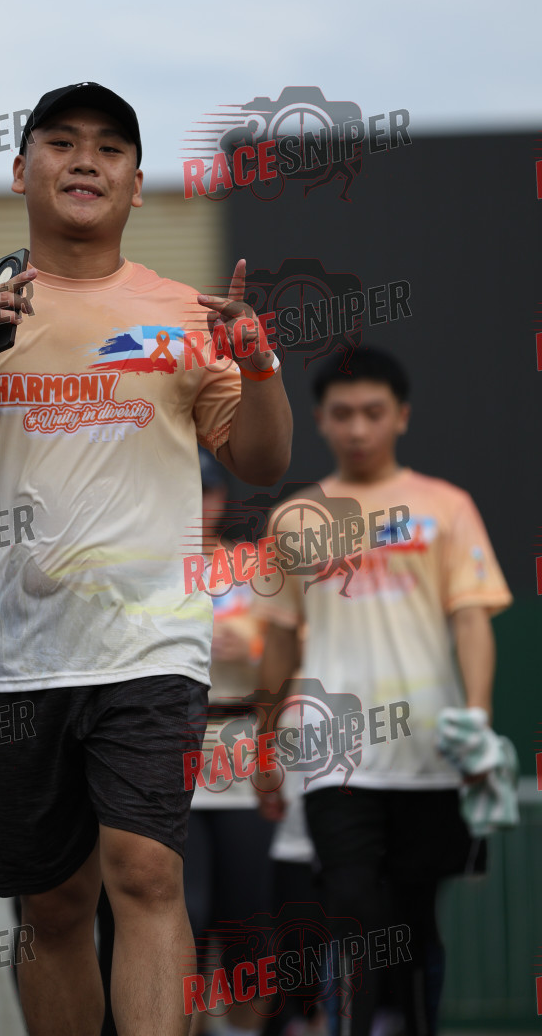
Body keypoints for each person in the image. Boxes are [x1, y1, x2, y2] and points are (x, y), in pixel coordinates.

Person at [0, 81, 292, 1036]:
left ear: (137, 183)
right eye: (61, 142)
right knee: (53, 908)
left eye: (110, 148)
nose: (85, 159)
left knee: (147, 872)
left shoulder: (185, 313)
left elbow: (261, 461)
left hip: (152, 646)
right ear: (21, 171)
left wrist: (258, 368)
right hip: (20, 657)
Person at [252, 347, 512, 1036]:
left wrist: (478, 721)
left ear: (402, 415)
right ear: (320, 420)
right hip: (335, 757)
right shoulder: (296, 519)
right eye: (343, 414)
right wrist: (264, 744)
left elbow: (471, 619)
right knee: (353, 910)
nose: (358, 428)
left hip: (430, 754)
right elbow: (279, 639)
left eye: (373, 412)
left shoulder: (447, 507)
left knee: (414, 922)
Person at [182, 448, 276, 1035]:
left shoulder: (253, 566)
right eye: (186, 489)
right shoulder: (144, 567)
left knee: (248, 919)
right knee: (182, 917)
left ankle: (239, 1028)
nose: (197, 503)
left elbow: (294, 646)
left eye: (206, 490)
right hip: (170, 747)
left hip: (241, 747)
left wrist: (255, 647)